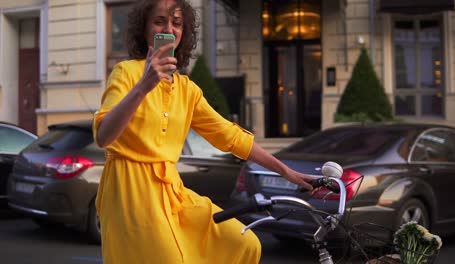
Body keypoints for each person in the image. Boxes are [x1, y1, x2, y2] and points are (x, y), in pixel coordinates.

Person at [93, 0, 315, 263]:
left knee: (244, 243)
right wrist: (143, 86)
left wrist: (285, 171)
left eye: (176, 23)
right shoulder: (126, 72)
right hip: (129, 190)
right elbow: (103, 136)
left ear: (183, 33)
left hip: (171, 191)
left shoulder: (188, 91)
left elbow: (231, 137)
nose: (169, 28)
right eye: (159, 21)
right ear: (144, 29)